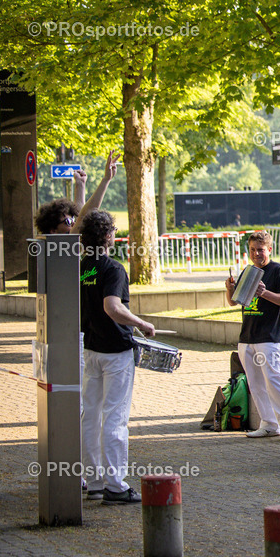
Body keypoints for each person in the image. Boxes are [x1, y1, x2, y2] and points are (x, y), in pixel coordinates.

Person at [79, 210, 156, 504]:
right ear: (109, 236)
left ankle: (95, 480)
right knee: (115, 416)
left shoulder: (81, 267)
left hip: (91, 349)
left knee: (91, 414)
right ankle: (115, 484)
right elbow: (113, 307)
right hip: (115, 352)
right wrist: (142, 324)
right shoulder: (113, 269)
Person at [226, 230, 280, 442]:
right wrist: (228, 289)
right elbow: (234, 302)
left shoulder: (278, 271)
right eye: (252, 250)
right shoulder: (247, 271)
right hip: (247, 335)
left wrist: (264, 293)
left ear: (269, 249)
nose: (256, 254)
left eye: (260, 250)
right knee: (255, 383)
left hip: (268, 336)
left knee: (274, 380)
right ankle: (268, 423)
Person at [34, 150, 121, 236]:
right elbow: (84, 215)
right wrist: (106, 179)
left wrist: (80, 184)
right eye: (67, 222)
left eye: (72, 220)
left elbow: (80, 214)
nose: (73, 223)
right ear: (53, 230)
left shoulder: (54, 243)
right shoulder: (66, 243)